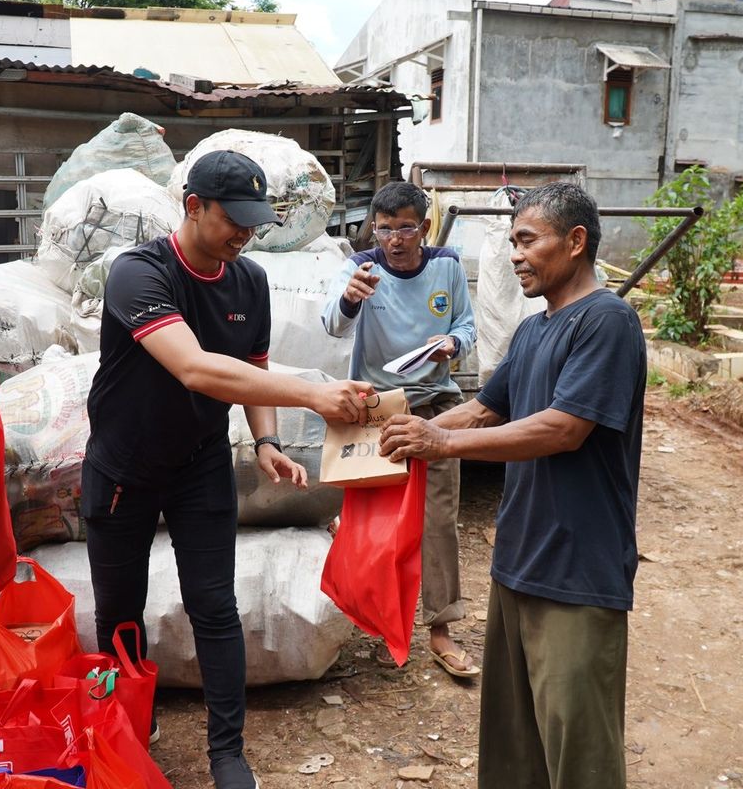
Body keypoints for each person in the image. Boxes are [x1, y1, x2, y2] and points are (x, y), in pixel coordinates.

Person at [83, 149, 372, 789]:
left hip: (200, 461)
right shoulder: (137, 273)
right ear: (193, 206)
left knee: (214, 605)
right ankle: (127, 725)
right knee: (118, 611)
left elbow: (253, 371)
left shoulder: (249, 281)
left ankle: (228, 752)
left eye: (254, 220)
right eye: (233, 218)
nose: (245, 232)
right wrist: (315, 394)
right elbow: (194, 366)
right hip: (124, 466)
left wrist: (267, 441)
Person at [379, 182, 646, 789]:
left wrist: (439, 444)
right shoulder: (532, 332)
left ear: (575, 242)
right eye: (510, 242)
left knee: (580, 754)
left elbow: (563, 428)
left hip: (578, 571)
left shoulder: (607, 321)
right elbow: (480, 411)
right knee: (513, 746)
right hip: (518, 562)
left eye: (527, 241)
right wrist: (396, 439)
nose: (514, 256)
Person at [321, 180, 480, 678]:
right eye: (385, 229)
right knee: (371, 521)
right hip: (376, 413)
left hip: (435, 407)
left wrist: (452, 344)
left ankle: (440, 628)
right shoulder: (360, 267)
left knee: (438, 518)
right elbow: (332, 324)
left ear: (424, 227)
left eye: (405, 228)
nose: (394, 238)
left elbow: (469, 328)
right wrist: (349, 299)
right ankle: (366, 615)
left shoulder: (447, 266)